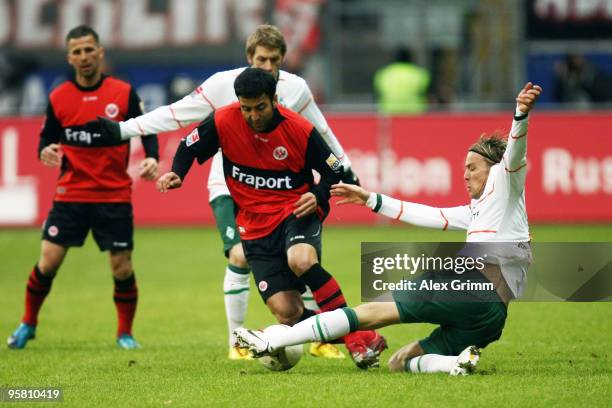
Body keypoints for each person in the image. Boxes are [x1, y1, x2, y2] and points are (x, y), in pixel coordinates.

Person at [85, 24, 358, 360]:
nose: (268, 67)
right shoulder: (222, 86)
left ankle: (323, 335)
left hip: (283, 190)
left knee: (302, 260)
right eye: (261, 59)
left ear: (283, 60)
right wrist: (124, 130)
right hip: (230, 185)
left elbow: (322, 131)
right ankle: (237, 341)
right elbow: (177, 115)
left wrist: (345, 171)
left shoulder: (296, 90)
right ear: (248, 58)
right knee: (240, 255)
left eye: (274, 60)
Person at [236, 82, 542, 375]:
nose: (464, 175)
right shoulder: (479, 211)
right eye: (463, 168)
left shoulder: (506, 183)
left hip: (466, 288)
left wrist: (520, 115)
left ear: (495, 169)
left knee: (368, 314)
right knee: (401, 361)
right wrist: (371, 200)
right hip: (490, 319)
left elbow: (514, 154)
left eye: (471, 167)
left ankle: (273, 340)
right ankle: (454, 364)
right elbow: (429, 214)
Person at [157, 68, 387, 369]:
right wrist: (177, 172)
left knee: (301, 260)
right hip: (253, 225)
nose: (253, 115)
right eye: (246, 108)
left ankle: (357, 343)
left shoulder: (299, 129)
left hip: (296, 211)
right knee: (287, 312)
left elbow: (335, 170)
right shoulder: (224, 119)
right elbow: (189, 144)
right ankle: (362, 333)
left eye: (260, 107)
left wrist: (318, 195)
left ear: (275, 100)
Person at [7, 25, 159, 350]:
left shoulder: (123, 93)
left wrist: (153, 158)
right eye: (77, 51)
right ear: (69, 57)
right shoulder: (59, 97)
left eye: (89, 49)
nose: (84, 56)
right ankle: (27, 324)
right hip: (71, 196)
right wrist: (44, 150)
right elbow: (47, 138)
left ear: (100, 52)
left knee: (122, 267)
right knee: (47, 262)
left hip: (114, 196)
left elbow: (147, 128)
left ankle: (124, 334)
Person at [373, 48, 430, 114]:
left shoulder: (384, 73)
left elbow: (378, 92)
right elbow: (426, 93)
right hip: (414, 112)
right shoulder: (418, 73)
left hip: (389, 112)